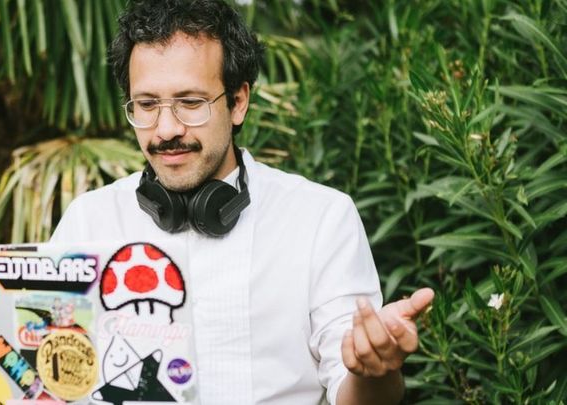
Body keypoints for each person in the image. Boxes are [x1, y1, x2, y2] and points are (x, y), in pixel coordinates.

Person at [51, 0, 434, 403]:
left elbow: (355, 389)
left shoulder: (322, 218)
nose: (165, 129)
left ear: (238, 102)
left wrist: (375, 370)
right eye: (147, 105)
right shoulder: (87, 222)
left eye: (191, 103)